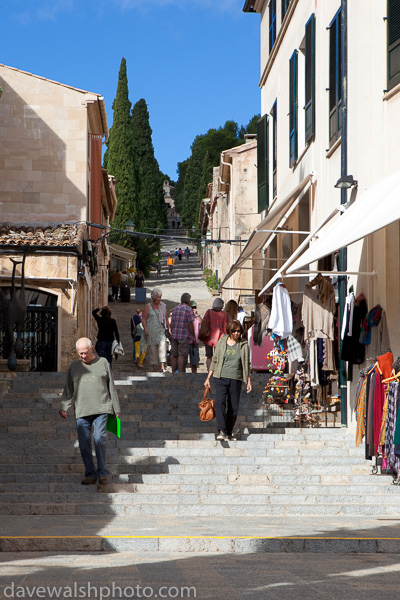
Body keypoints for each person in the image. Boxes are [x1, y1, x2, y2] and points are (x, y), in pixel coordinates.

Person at [59, 337, 120, 485]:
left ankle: (103, 473)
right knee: (84, 444)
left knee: (99, 439)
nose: (83, 356)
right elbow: (68, 389)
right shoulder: (74, 367)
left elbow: (111, 386)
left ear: (92, 348)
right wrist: (64, 406)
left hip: (102, 408)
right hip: (82, 410)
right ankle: (90, 474)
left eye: (85, 353)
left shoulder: (103, 363)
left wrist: (116, 409)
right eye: (80, 354)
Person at [204, 320, 251, 442]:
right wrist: (208, 377)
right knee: (220, 403)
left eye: (239, 331)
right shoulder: (222, 342)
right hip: (221, 377)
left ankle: (229, 431)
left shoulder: (244, 344)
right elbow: (215, 360)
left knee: (233, 407)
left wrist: (248, 380)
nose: (236, 333)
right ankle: (222, 430)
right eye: (234, 331)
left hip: (236, 378)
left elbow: (246, 363)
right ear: (229, 331)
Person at [141, 287, 169, 372]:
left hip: (161, 331)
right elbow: (144, 319)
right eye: (158, 297)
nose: (159, 299)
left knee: (163, 347)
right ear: (153, 297)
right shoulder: (148, 306)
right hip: (151, 331)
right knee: (153, 350)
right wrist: (145, 328)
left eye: (160, 297)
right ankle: (154, 368)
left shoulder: (163, 306)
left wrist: (168, 329)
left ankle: (162, 367)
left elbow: (166, 318)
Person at [170, 293, 195, 373]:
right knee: (181, 355)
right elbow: (190, 324)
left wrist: (171, 332)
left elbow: (172, 323)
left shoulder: (175, 308)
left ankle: (173, 372)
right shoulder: (188, 309)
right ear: (188, 300)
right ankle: (180, 373)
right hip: (183, 335)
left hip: (174, 335)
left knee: (174, 355)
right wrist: (193, 335)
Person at [203, 297, 228, 371]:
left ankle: (209, 371)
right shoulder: (224, 314)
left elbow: (204, 322)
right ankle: (217, 371)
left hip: (208, 337)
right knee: (218, 357)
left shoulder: (208, 312)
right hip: (219, 338)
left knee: (209, 356)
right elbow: (225, 327)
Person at [188, 300, 202, 373]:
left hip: (195, 342)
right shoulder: (187, 316)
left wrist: (196, 315)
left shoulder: (197, 317)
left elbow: (201, 322)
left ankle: (194, 374)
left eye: (194, 307)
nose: (193, 309)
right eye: (192, 307)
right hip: (187, 340)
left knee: (194, 360)